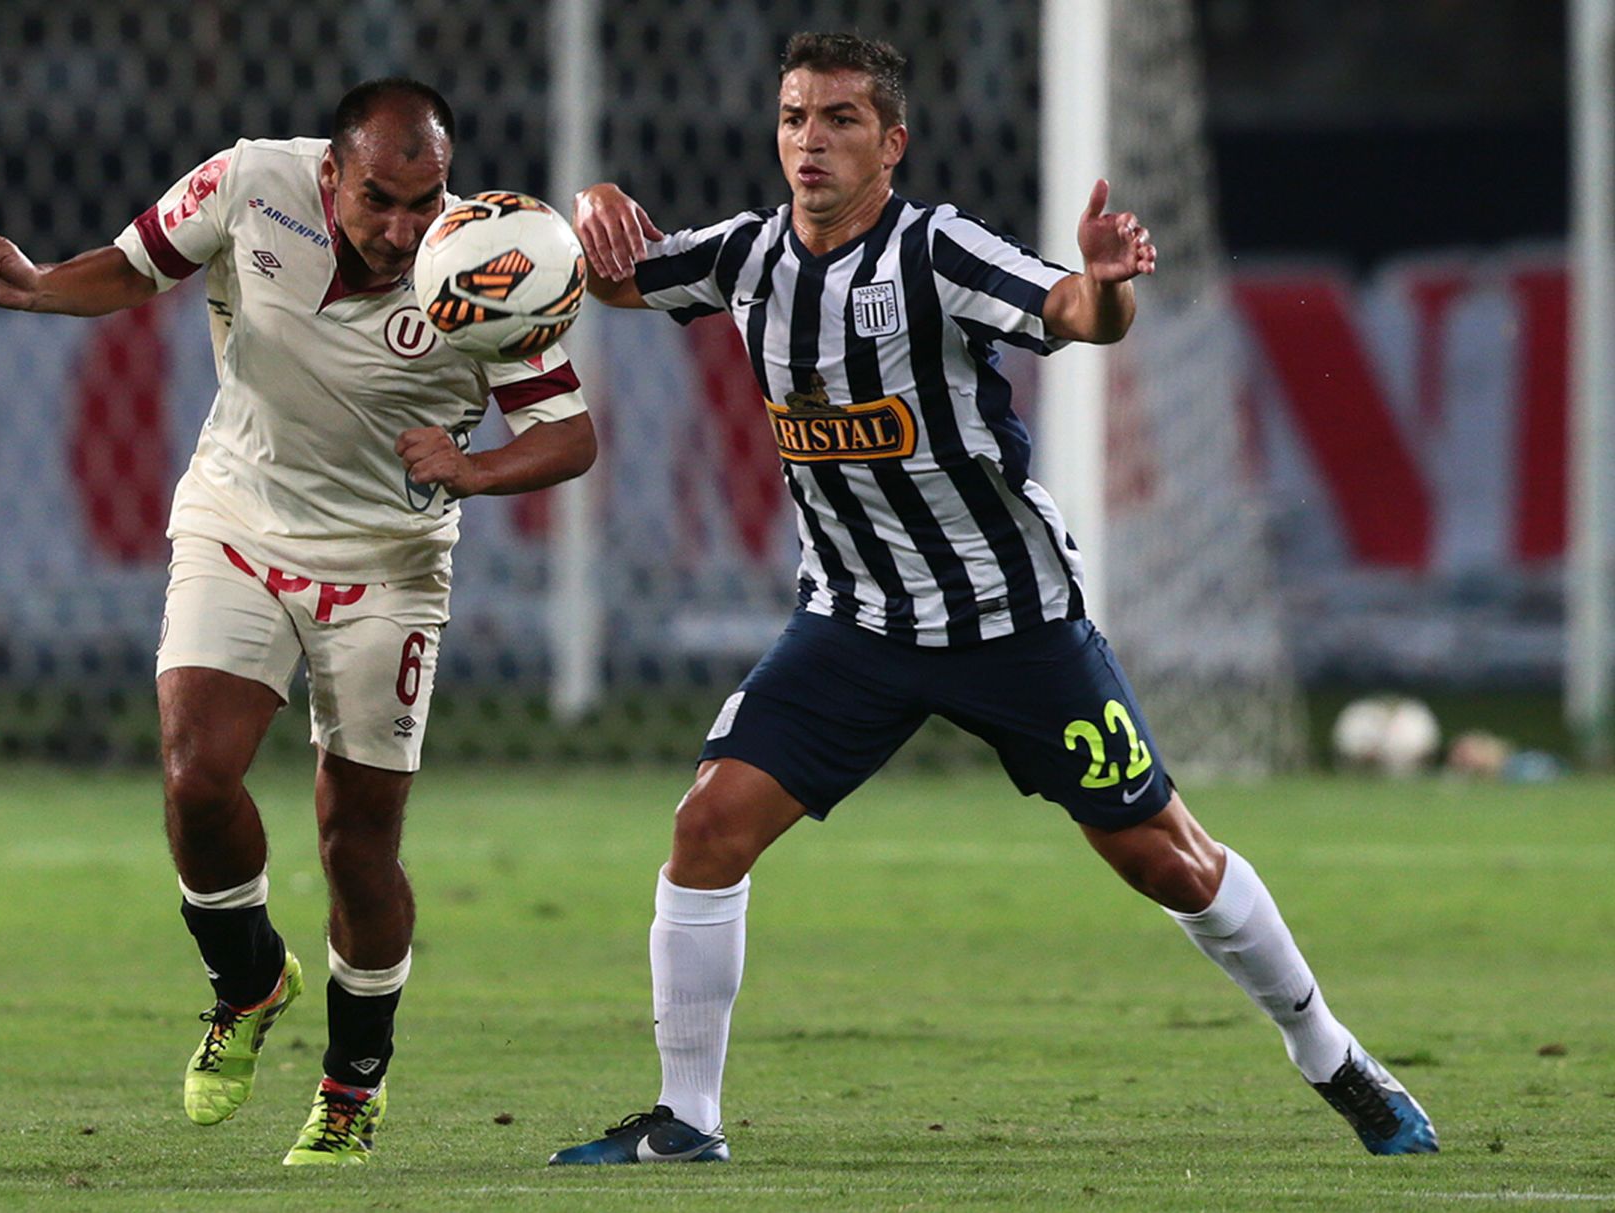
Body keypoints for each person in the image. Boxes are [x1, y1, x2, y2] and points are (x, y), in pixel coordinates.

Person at [549, 32, 1436, 1165]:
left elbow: (1073, 312)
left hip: (1015, 621)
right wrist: (590, 200)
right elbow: (604, 269)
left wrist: (1109, 287)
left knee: (1167, 857)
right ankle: (687, 1121)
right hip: (856, 623)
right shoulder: (746, 258)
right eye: (793, 117)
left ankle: (1330, 1052)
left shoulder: (938, 251)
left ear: (892, 142)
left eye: (840, 120)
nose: (809, 141)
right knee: (706, 828)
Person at [0, 78, 596, 1166]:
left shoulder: (485, 261)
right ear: (331, 173)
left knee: (357, 845)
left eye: (425, 199)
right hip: (239, 518)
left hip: (391, 565)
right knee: (194, 775)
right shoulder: (254, 181)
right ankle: (249, 980)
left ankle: (353, 1080)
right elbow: (136, 262)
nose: (404, 230)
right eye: (381, 200)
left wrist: (473, 468)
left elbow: (570, 435)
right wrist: (37, 287)